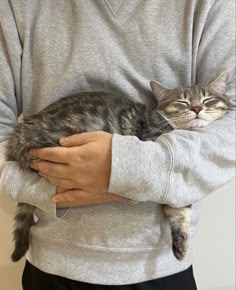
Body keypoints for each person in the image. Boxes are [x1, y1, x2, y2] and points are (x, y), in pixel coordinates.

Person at [0, 0, 235, 289]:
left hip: (162, 265)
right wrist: (57, 187)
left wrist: (122, 170)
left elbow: (230, 129)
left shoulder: (211, 5)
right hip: (52, 263)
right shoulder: (17, 6)